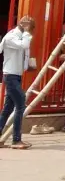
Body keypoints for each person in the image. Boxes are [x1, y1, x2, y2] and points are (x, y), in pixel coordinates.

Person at [0, 16, 35, 150]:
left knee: (8, 108)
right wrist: (26, 31)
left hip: (16, 75)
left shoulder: (22, 36)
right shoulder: (11, 37)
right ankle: (16, 140)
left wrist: (27, 65)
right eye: (30, 27)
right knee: (20, 104)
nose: (30, 31)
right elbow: (23, 45)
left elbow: (24, 51)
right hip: (11, 76)